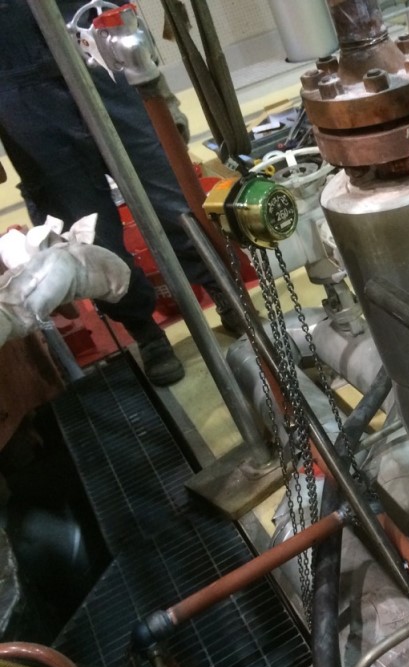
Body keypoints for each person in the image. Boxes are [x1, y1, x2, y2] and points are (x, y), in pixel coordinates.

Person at [0, 0, 243, 386]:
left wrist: (160, 88)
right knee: (84, 229)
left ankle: (226, 291)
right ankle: (143, 329)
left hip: (96, 43)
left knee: (169, 190)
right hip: (16, 83)